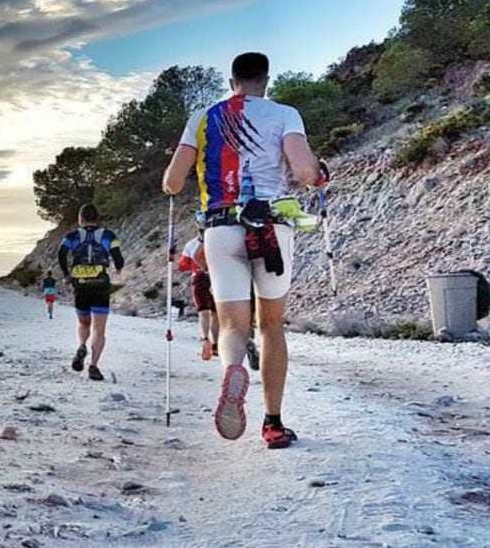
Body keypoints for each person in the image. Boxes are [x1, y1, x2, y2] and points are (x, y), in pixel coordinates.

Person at [162, 52, 326, 450]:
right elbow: (306, 173)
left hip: (219, 229)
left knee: (233, 326)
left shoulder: (202, 117)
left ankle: (234, 369)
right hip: (269, 227)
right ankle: (272, 424)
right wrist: (319, 172)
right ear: (265, 80)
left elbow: (171, 182)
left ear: (231, 80)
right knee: (271, 325)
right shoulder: (285, 113)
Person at [58, 203, 125, 381]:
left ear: (80, 219)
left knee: (84, 323)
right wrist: (118, 267)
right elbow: (118, 256)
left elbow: (61, 253)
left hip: (80, 283)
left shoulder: (72, 236)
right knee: (99, 328)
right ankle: (94, 366)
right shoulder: (108, 235)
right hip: (100, 283)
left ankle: (81, 346)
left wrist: (66, 274)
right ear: (97, 218)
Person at [177, 219, 219, 361]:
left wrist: (194, 266)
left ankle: (205, 339)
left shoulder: (191, 244)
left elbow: (182, 265)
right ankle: (216, 344)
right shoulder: (218, 240)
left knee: (203, 312)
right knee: (215, 313)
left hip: (199, 277)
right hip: (216, 276)